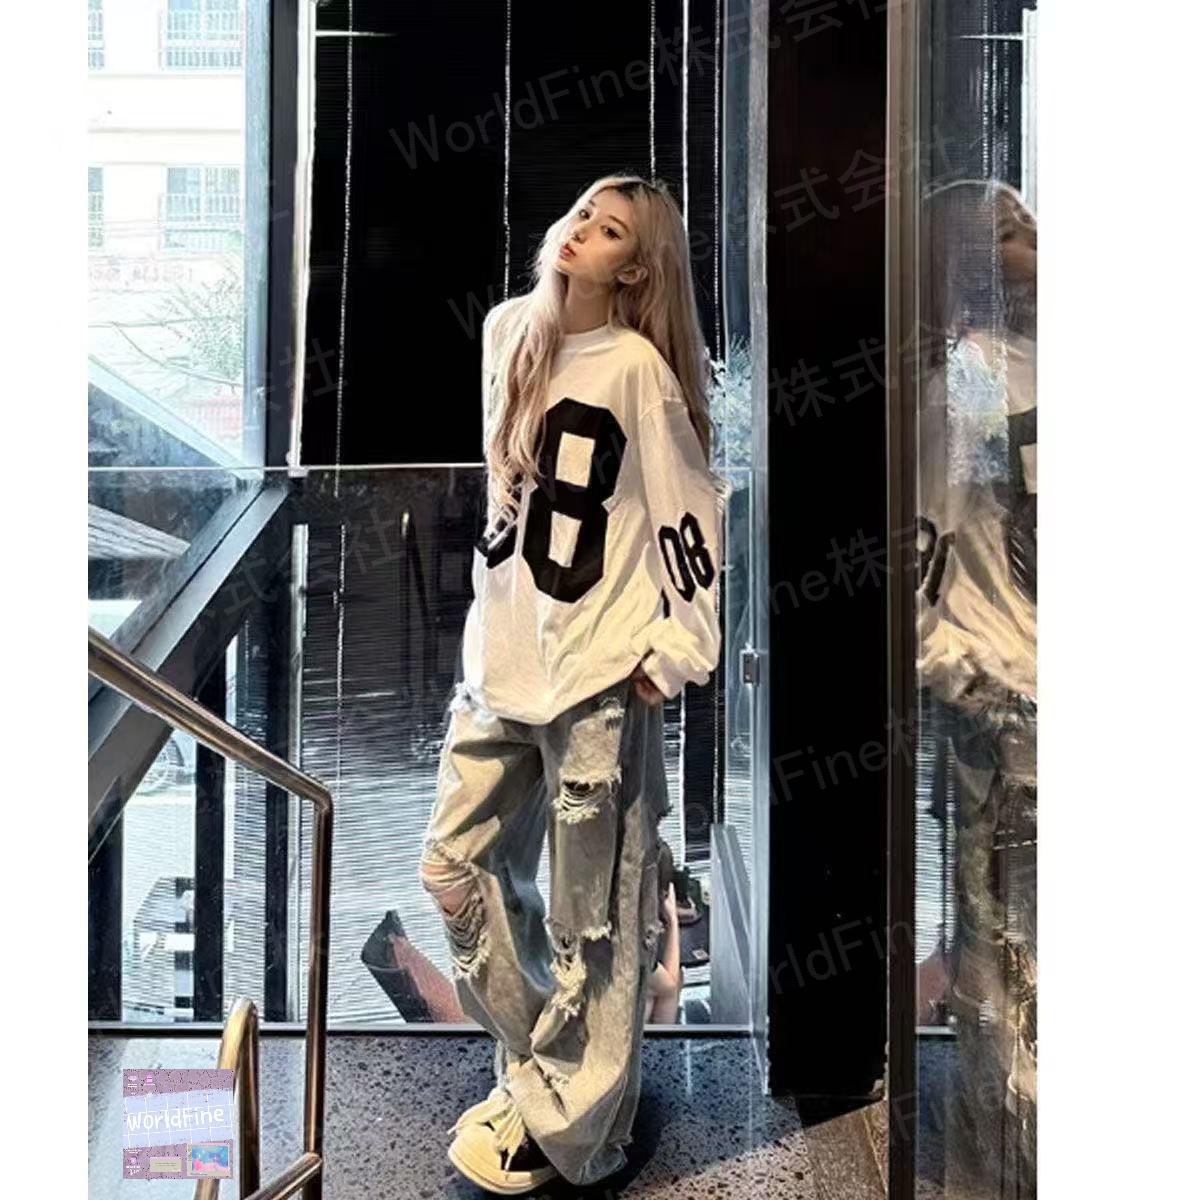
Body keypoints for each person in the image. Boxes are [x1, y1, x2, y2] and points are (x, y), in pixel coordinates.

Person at [418, 174, 729, 1193]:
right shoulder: (509, 332)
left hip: (596, 673)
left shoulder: (637, 368)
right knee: (452, 870)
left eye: (609, 231)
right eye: (582, 215)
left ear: (633, 269)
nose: (581, 233)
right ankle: (546, 1070)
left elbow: (687, 512)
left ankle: (575, 1134)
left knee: (590, 920)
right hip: (500, 663)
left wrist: (677, 651)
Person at [915, 178, 1037, 1193]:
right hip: (1012, 706)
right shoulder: (971, 381)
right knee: (1003, 957)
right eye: (1004, 233)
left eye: (1027, 221)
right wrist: (967, 676)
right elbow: (927, 547)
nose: (1029, 243)